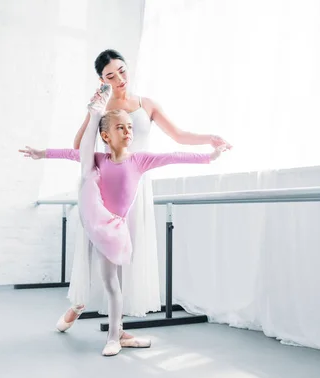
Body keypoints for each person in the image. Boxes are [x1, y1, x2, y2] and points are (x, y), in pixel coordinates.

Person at [20, 85, 227, 355]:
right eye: (121, 128)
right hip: (91, 222)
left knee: (111, 284)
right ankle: (85, 311)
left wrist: (209, 157)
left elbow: (173, 157)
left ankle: (113, 336)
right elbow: (71, 153)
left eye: (130, 127)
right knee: (88, 271)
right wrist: (42, 154)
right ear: (105, 135)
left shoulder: (139, 161)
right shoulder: (96, 159)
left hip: (113, 230)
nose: (129, 132)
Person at [58, 50, 232, 344]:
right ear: (102, 80)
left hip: (136, 183)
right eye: (110, 76)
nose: (119, 79)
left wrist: (209, 139)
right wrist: (95, 113)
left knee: (125, 255)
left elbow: (178, 136)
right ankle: (78, 302)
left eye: (122, 71)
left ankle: (119, 327)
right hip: (105, 183)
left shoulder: (146, 104)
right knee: (92, 248)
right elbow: (78, 145)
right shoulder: (103, 106)